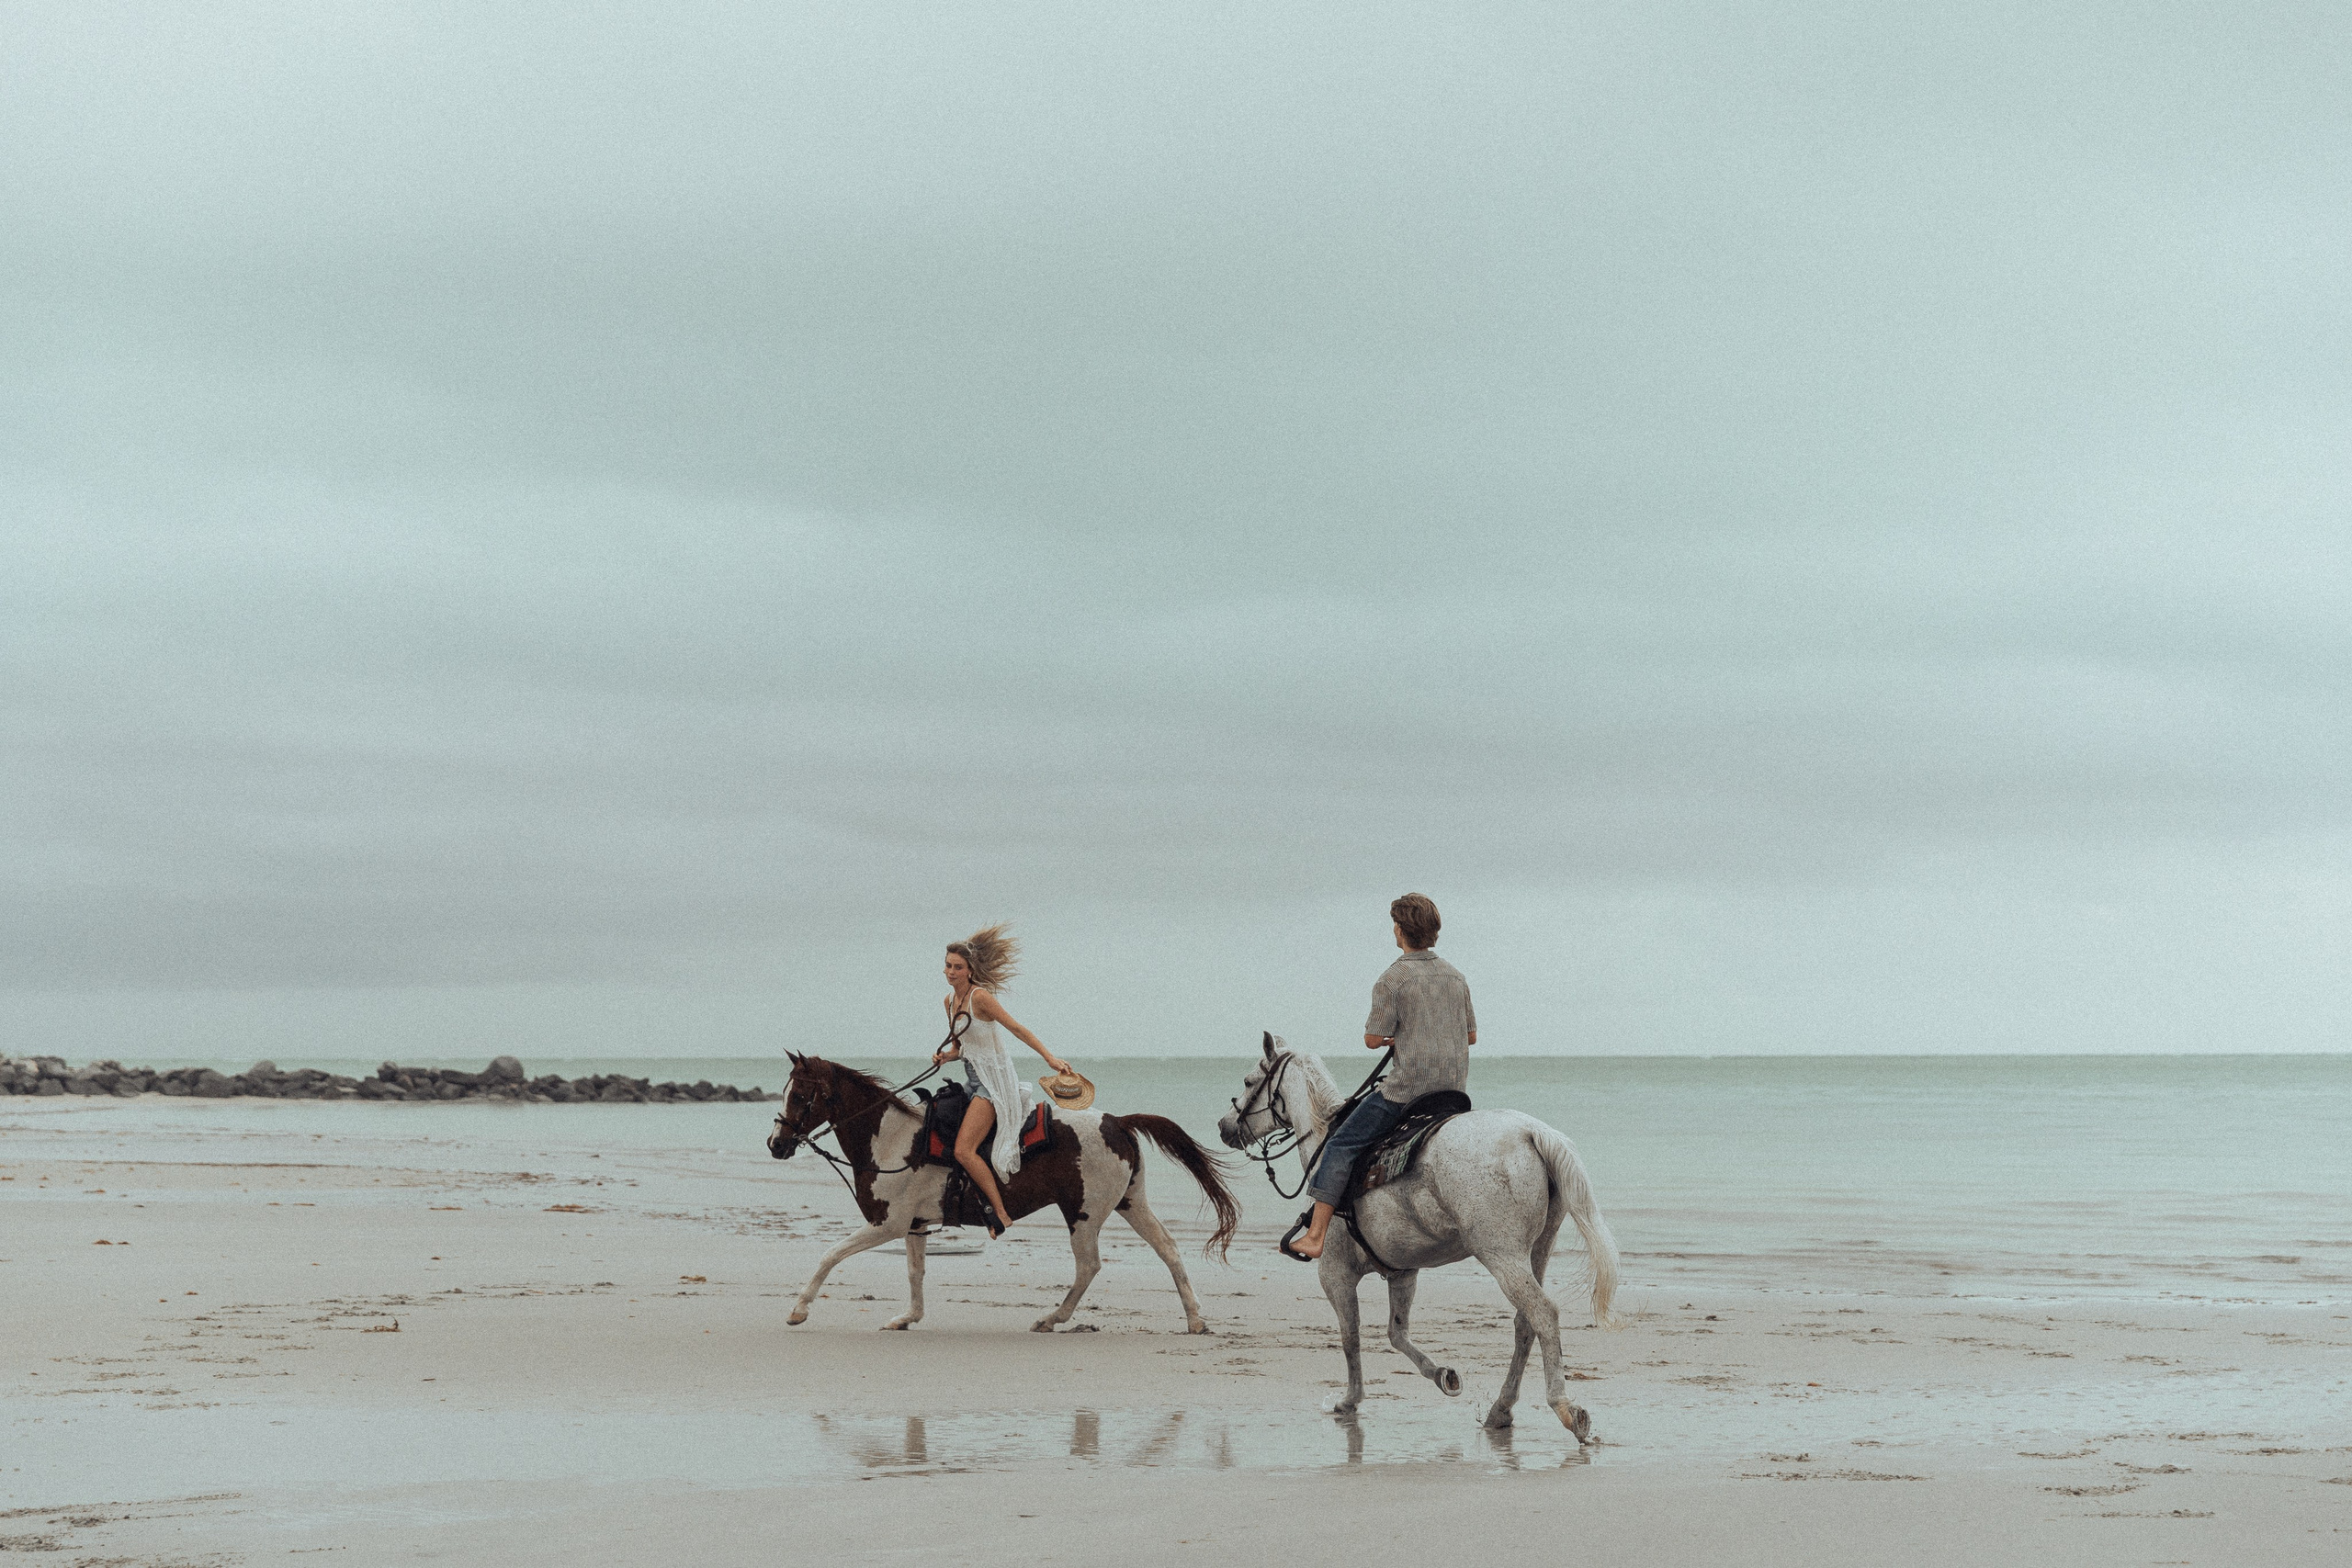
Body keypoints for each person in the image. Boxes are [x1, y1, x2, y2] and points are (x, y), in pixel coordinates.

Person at [1285, 893, 1476, 1260]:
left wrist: (1398, 1037)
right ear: (1434, 931)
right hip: (1454, 1092)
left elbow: (1373, 1039)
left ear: (1400, 931)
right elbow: (1470, 1036)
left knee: (1340, 1143)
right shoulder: (1456, 976)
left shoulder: (1393, 978)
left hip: (1408, 1092)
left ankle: (1315, 1235)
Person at [932, 924, 1073, 1234]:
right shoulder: (949, 1002)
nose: (951, 972)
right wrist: (945, 1057)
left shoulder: (980, 998)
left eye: (958, 967)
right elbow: (961, 1048)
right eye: (948, 965)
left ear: (970, 971)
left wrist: (1049, 1057)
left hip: (993, 1084)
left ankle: (1000, 1213)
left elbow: (1017, 1028)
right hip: (972, 1079)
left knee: (963, 1150)